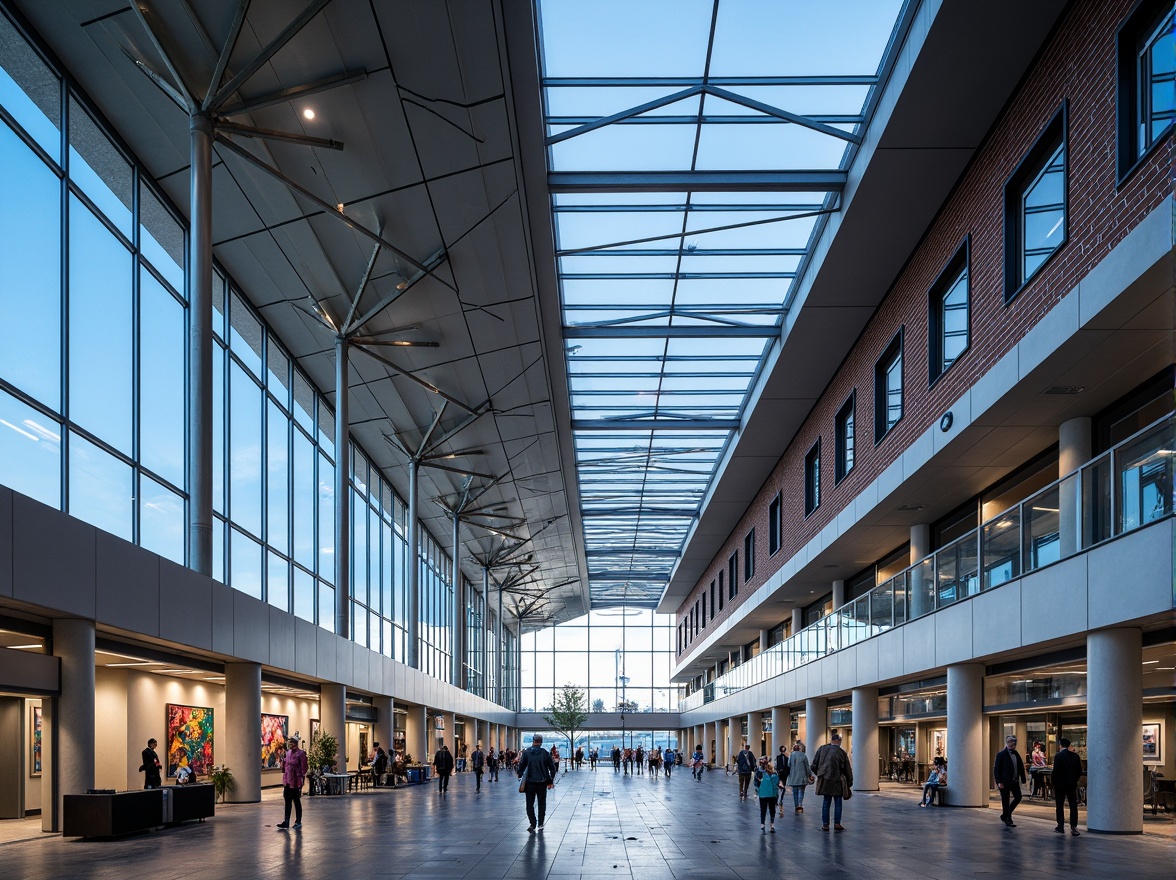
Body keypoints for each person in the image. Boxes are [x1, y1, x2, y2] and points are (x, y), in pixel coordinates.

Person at [811, 733, 852, 832]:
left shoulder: (822, 749)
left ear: (831, 740)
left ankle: (825, 824)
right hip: (837, 780)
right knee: (838, 802)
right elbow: (847, 769)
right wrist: (849, 782)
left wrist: (819, 774)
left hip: (825, 780)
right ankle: (837, 823)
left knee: (826, 802)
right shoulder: (841, 752)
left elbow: (813, 765)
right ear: (839, 741)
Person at [517, 733, 556, 833]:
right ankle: (541, 823)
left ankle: (532, 823)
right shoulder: (545, 753)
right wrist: (550, 779)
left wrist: (520, 775)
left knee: (529, 804)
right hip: (542, 783)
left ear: (533, 741)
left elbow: (521, 766)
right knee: (541, 803)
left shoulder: (527, 752)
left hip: (530, 783)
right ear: (541, 742)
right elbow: (552, 768)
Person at [276, 733, 308, 830]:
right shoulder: (288, 753)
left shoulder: (301, 753)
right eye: (290, 742)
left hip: (296, 780)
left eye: (292, 742)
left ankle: (298, 821)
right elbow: (285, 766)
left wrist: (300, 776)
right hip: (287, 780)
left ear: (296, 743)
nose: (291, 744)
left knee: (296, 801)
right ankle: (286, 821)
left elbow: (304, 767)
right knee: (287, 801)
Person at [993, 734, 1026, 828]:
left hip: (1014, 781)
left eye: (1014, 742)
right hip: (1004, 782)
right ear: (1007, 743)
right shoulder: (1001, 755)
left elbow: (1020, 767)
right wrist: (999, 781)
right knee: (1005, 800)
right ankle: (1008, 818)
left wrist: (1023, 779)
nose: (1012, 743)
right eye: (1010, 742)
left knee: (1018, 797)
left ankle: (1006, 815)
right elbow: (996, 769)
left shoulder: (1016, 754)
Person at [1051, 737, 1082, 836]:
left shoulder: (1058, 756)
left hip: (1060, 784)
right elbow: (1079, 771)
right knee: (1073, 805)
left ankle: (1060, 826)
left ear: (1060, 745)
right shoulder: (1075, 756)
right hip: (1071, 784)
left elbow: (1056, 771)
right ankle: (1073, 826)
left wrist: (1054, 782)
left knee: (1059, 804)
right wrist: (1074, 779)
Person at [754, 756, 780, 832]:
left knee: (763, 810)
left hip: (763, 794)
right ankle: (772, 825)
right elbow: (777, 784)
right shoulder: (774, 775)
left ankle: (762, 824)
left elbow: (756, 783)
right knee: (772, 810)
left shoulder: (759, 773)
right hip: (772, 795)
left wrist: (758, 790)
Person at [786, 742, 812, 814]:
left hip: (794, 776)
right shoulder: (803, 755)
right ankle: (800, 804)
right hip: (802, 776)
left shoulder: (791, 756)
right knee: (801, 790)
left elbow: (788, 765)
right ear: (800, 749)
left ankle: (796, 805)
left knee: (795, 791)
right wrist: (809, 774)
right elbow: (807, 766)